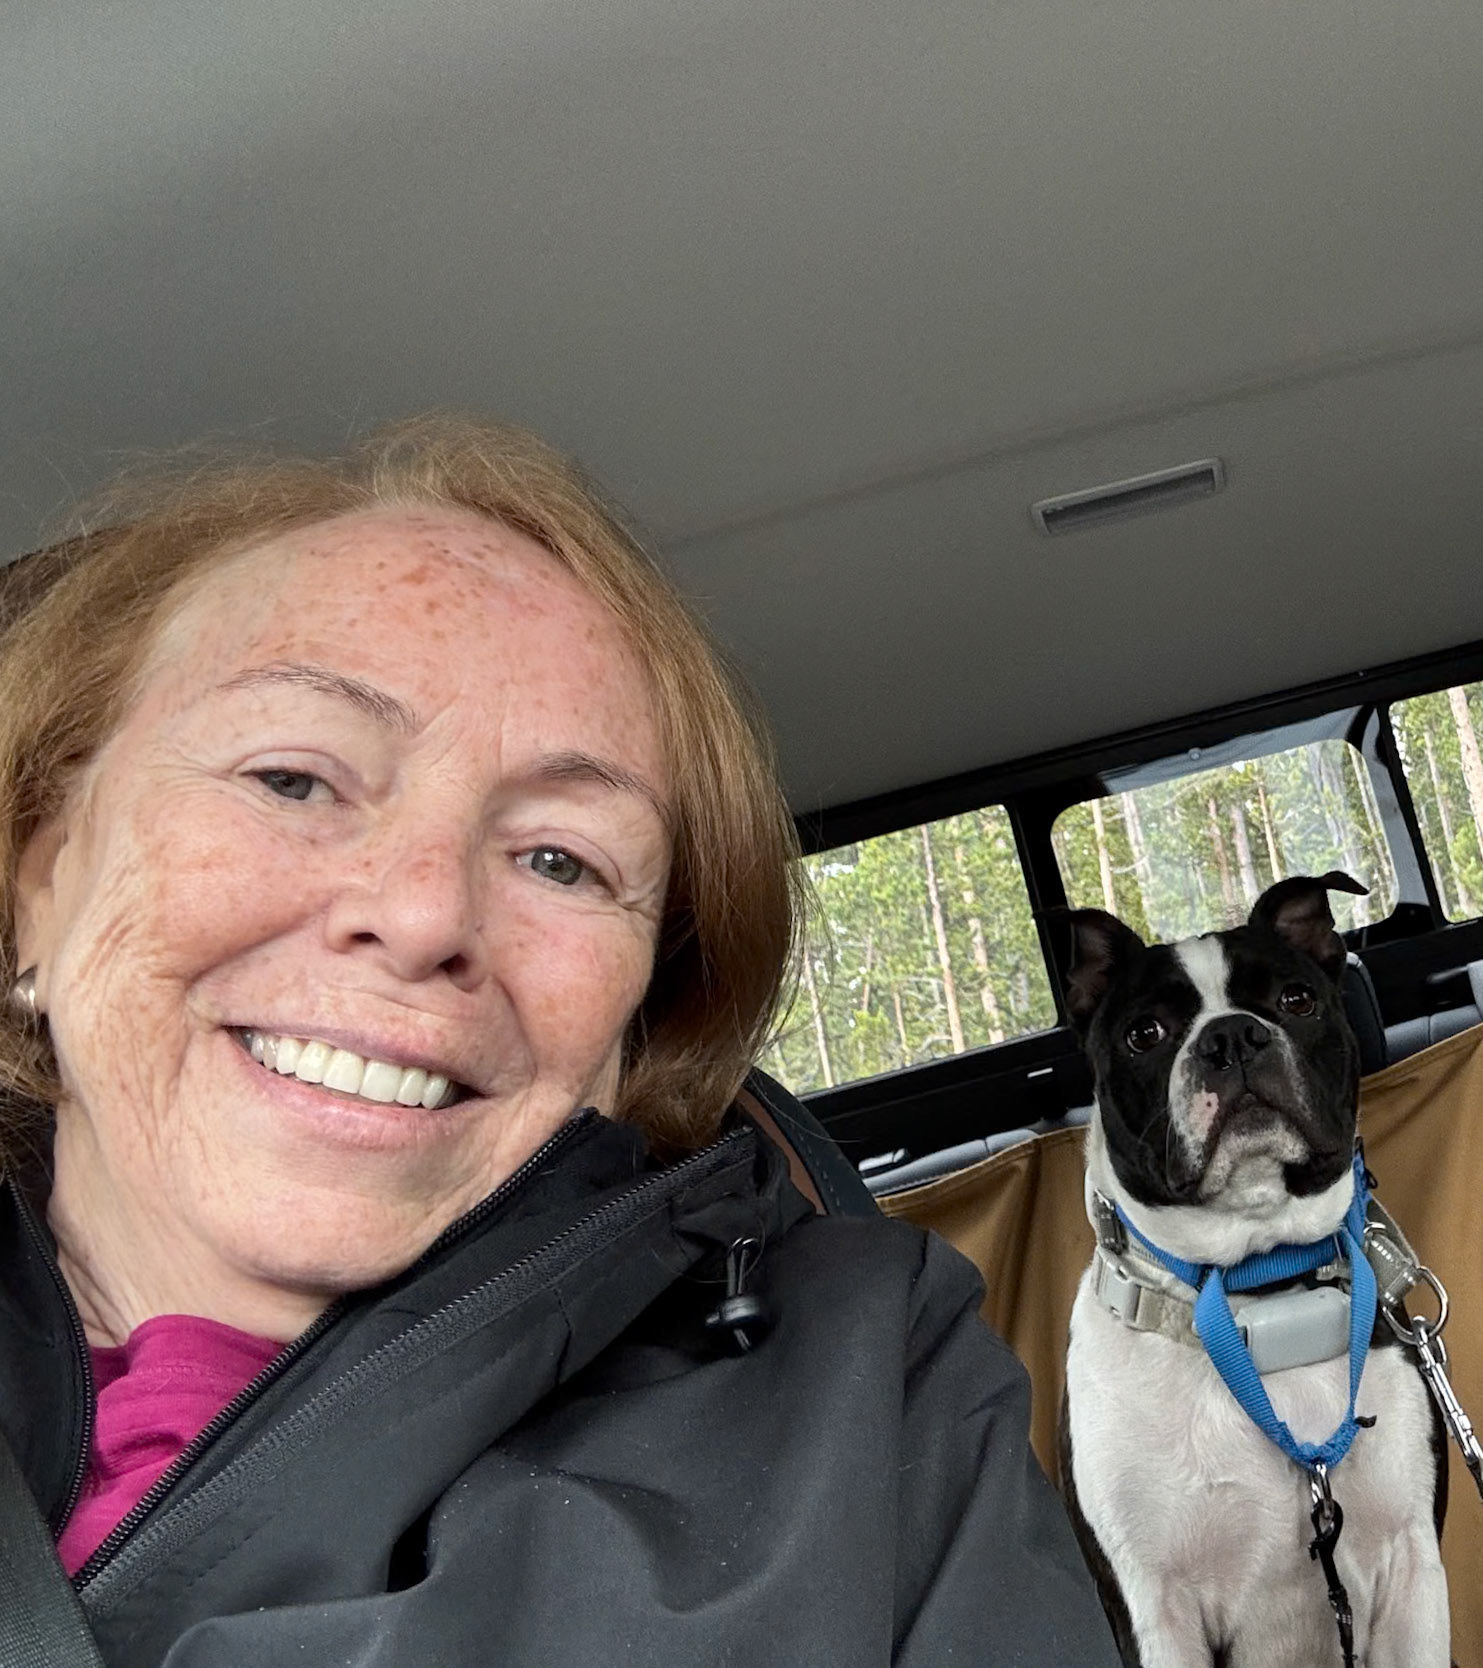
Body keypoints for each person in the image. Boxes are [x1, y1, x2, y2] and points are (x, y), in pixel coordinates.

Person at [0, 416, 1117, 1665]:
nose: (425, 914)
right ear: (43, 872)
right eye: (293, 780)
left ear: (635, 1021)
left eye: (558, 860)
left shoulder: (864, 1392)